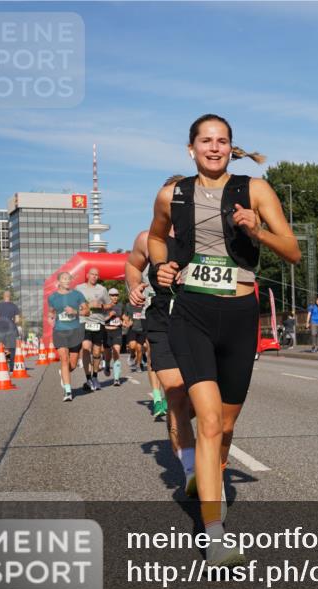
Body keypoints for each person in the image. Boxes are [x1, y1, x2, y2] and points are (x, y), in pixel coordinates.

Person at [149, 114, 300, 566]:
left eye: (222, 141)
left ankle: (208, 479)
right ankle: (214, 533)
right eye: (205, 141)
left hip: (239, 314)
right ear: (190, 148)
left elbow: (292, 250)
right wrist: (163, 268)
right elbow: (157, 239)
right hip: (191, 312)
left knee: (228, 426)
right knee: (209, 422)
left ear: (231, 147)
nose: (213, 148)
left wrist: (257, 231)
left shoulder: (256, 190)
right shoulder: (171, 194)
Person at [126, 177, 196, 485]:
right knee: (176, 392)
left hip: (201, 320)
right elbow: (131, 265)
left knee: (206, 405)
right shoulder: (146, 238)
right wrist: (133, 286)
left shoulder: (204, 236)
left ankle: (182, 424)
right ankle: (192, 473)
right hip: (163, 321)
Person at [47, 272, 88, 402]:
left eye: (68, 279)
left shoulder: (77, 295)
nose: (67, 281)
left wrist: (75, 311)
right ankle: (68, 390)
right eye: (64, 279)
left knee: (73, 364)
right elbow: (51, 312)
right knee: (64, 359)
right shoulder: (52, 297)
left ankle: (64, 374)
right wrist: (50, 318)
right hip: (59, 331)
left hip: (75, 331)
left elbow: (87, 311)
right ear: (58, 281)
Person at [76, 267, 112, 392]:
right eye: (92, 274)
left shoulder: (102, 289)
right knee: (86, 348)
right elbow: (74, 303)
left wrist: (101, 305)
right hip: (84, 322)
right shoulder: (79, 288)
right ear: (87, 275)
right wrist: (86, 306)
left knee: (97, 352)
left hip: (98, 322)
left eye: (97, 275)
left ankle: (95, 377)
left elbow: (109, 304)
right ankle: (88, 378)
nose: (94, 277)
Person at [0, 290, 21, 372]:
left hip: (1, 329)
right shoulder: (14, 306)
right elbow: (17, 320)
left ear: (3, 296)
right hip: (11, 329)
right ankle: (12, 367)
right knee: (12, 349)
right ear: (10, 296)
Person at [103, 288, 124, 386]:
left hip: (117, 331)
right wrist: (109, 316)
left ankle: (116, 378)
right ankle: (107, 364)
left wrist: (125, 321)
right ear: (108, 296)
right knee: (108, 355)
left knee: (116, 353)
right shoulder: (104, 306)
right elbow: (100, 319)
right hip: (106, 331)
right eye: (112, 295)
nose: (114, 297)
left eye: (116, 295)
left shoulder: (120, 305)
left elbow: (123, 317)